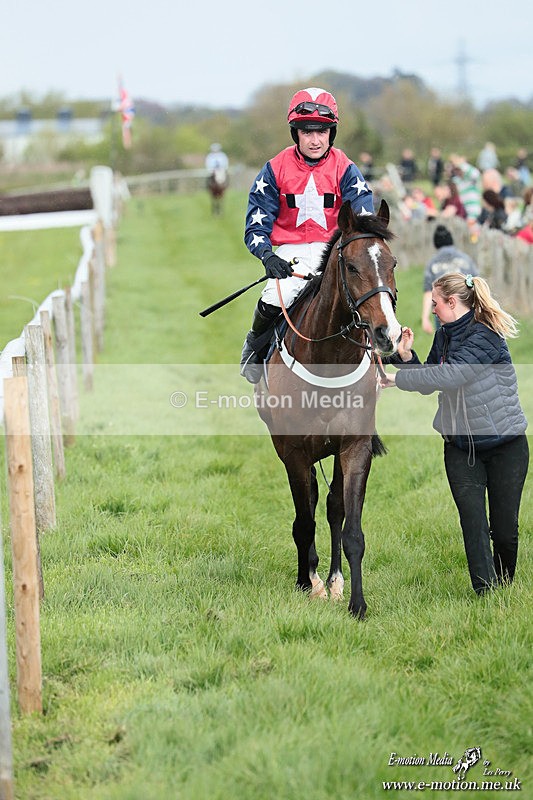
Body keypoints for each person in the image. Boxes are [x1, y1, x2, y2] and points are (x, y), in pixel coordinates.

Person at [383, 273, 528, 596]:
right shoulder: (444, 336)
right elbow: (431, 379)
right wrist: (405, 357)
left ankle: (505, 587)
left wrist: (394, 379)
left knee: (504, 531)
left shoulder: (486, 336)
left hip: (506, 447)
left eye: (435, 303)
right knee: (473, 524)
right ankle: (487, 594)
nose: (432, 309)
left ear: (452, 302)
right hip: (461, 448)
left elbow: (450, 375)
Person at [240, 87, 374, 383]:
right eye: (307, 132)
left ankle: (382, 353)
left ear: (331, 133)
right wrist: (267, 256)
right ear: (296, 134)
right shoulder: (274, 169)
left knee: (367, 293)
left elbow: (364, 220)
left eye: (322, 132)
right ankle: (255, 348)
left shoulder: (346, 169)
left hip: (335, 249)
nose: (315, 140)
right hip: (292, 250)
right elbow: (256, 225)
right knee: (275, 297)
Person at [421, 225, 478, 333]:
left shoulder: (433, 263)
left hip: (442, 311)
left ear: (435, 243)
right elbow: (477, 285)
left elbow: (428, 292)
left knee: (444, 341)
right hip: (466, 310)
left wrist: (425, 318)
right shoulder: (466, 259)